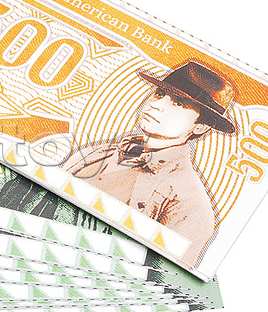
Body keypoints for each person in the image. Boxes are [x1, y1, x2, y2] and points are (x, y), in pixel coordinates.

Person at [61, 61, 236, 267]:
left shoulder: (190, 203)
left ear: (200, 127)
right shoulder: (92, 154)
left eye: (178, 104)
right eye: (159, 94)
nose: (157, 105)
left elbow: (160, 277)